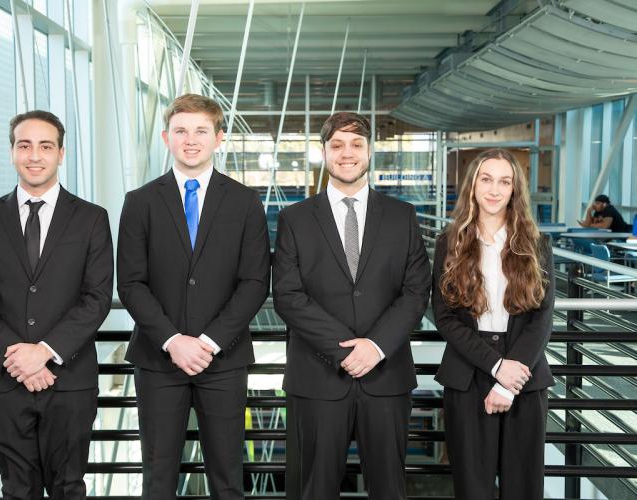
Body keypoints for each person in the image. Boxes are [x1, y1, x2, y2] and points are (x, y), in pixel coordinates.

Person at [117, 94, 270, 499]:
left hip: (223, 359)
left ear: (219, 138)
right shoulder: (140, 202)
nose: (191, 139)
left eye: (201, 130)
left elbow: (255, 282)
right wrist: (172, 340)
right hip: (157, 359)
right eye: (181, 131)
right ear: (167, 138)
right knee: (158, 478)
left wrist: (208, 342)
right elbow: (131, 283)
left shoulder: (245, 202)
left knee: (227, 478)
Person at [272, 112, 431, 500]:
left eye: (356, 144)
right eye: (337, 145)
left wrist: (374, 347)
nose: (347, 153)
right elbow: (288, 296)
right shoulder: (294, 218)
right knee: (315, 489)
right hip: (318, 376)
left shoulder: (402, 216)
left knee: (390, 489)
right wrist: (346, 349)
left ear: (370, 151)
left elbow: (415, 291)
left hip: (386, 375)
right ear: (324, 152)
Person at [0, 110, 114, 499]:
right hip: (4, 384)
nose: (34, 155)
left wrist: (44, 353)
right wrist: (17, 357)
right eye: (24, 145)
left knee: (68, 488)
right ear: (12, 152)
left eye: (45, 146)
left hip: (70, 382)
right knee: (16, 489)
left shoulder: (92, 219)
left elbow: (96, 298)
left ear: (61, 154)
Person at [432, 148, 555, 499]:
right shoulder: (449, 244)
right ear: (473, 185)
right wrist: (496, 366)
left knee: (523, 487)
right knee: (473, 487)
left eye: (505, 181)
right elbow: (445, 317)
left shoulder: (536, 244)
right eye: (486, 179)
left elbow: (542, 317)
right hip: (468, 372)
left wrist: (509, 379)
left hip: (524, 377)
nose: (494, 190)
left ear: (515, 190)